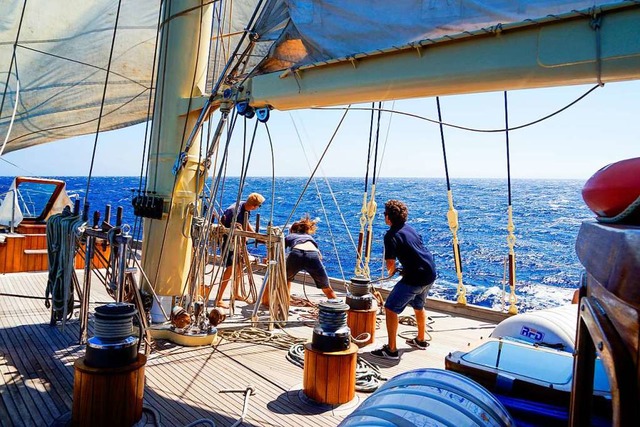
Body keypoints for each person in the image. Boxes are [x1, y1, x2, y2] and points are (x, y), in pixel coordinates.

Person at [371, 199, 437, 360]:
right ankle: (421, 340)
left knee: (391, 308)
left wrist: (393, 271)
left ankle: (391, 350)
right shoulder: (410, 229)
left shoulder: (391, 235)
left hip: (415, 276)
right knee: (418, 305)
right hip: (430, 272)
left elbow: (390, 263)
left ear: (388, 217)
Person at [214, 192, 265, 308]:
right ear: (254, 205)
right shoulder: (234, 212)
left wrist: (256, 235)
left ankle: (236, 293)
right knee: (230, 268)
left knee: (238, 267)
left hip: (238, 242)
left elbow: (245, 224)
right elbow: (230, 230)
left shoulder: (245, 208)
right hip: (229, 242)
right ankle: (219, 298)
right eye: (259, 206)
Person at [285, 215, 337, 300]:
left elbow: (279, 250)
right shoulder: (310, 238)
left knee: (286, 280)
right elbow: (319, 256)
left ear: (293, 230)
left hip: (296, 254)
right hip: (313, 255)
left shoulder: (290, 236)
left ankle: (285, 303)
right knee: (326, 287)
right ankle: (337, 307)